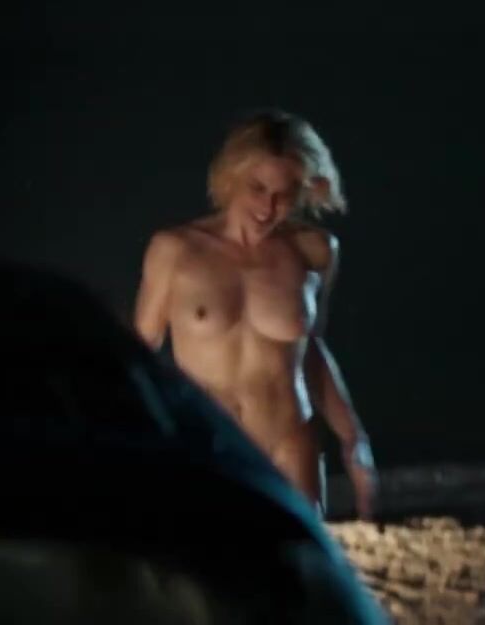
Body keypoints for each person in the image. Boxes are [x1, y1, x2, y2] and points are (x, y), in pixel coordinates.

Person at [134, 110, 377, 519]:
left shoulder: (314, 251)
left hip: (290, 445)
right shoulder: (175, 251)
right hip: (209, 445)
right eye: (258, 188)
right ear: (231, 177)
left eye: (285, 194)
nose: (268, 207)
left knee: (298, 558)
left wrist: (354, 438)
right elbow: (138, 356)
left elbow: (310, 350)